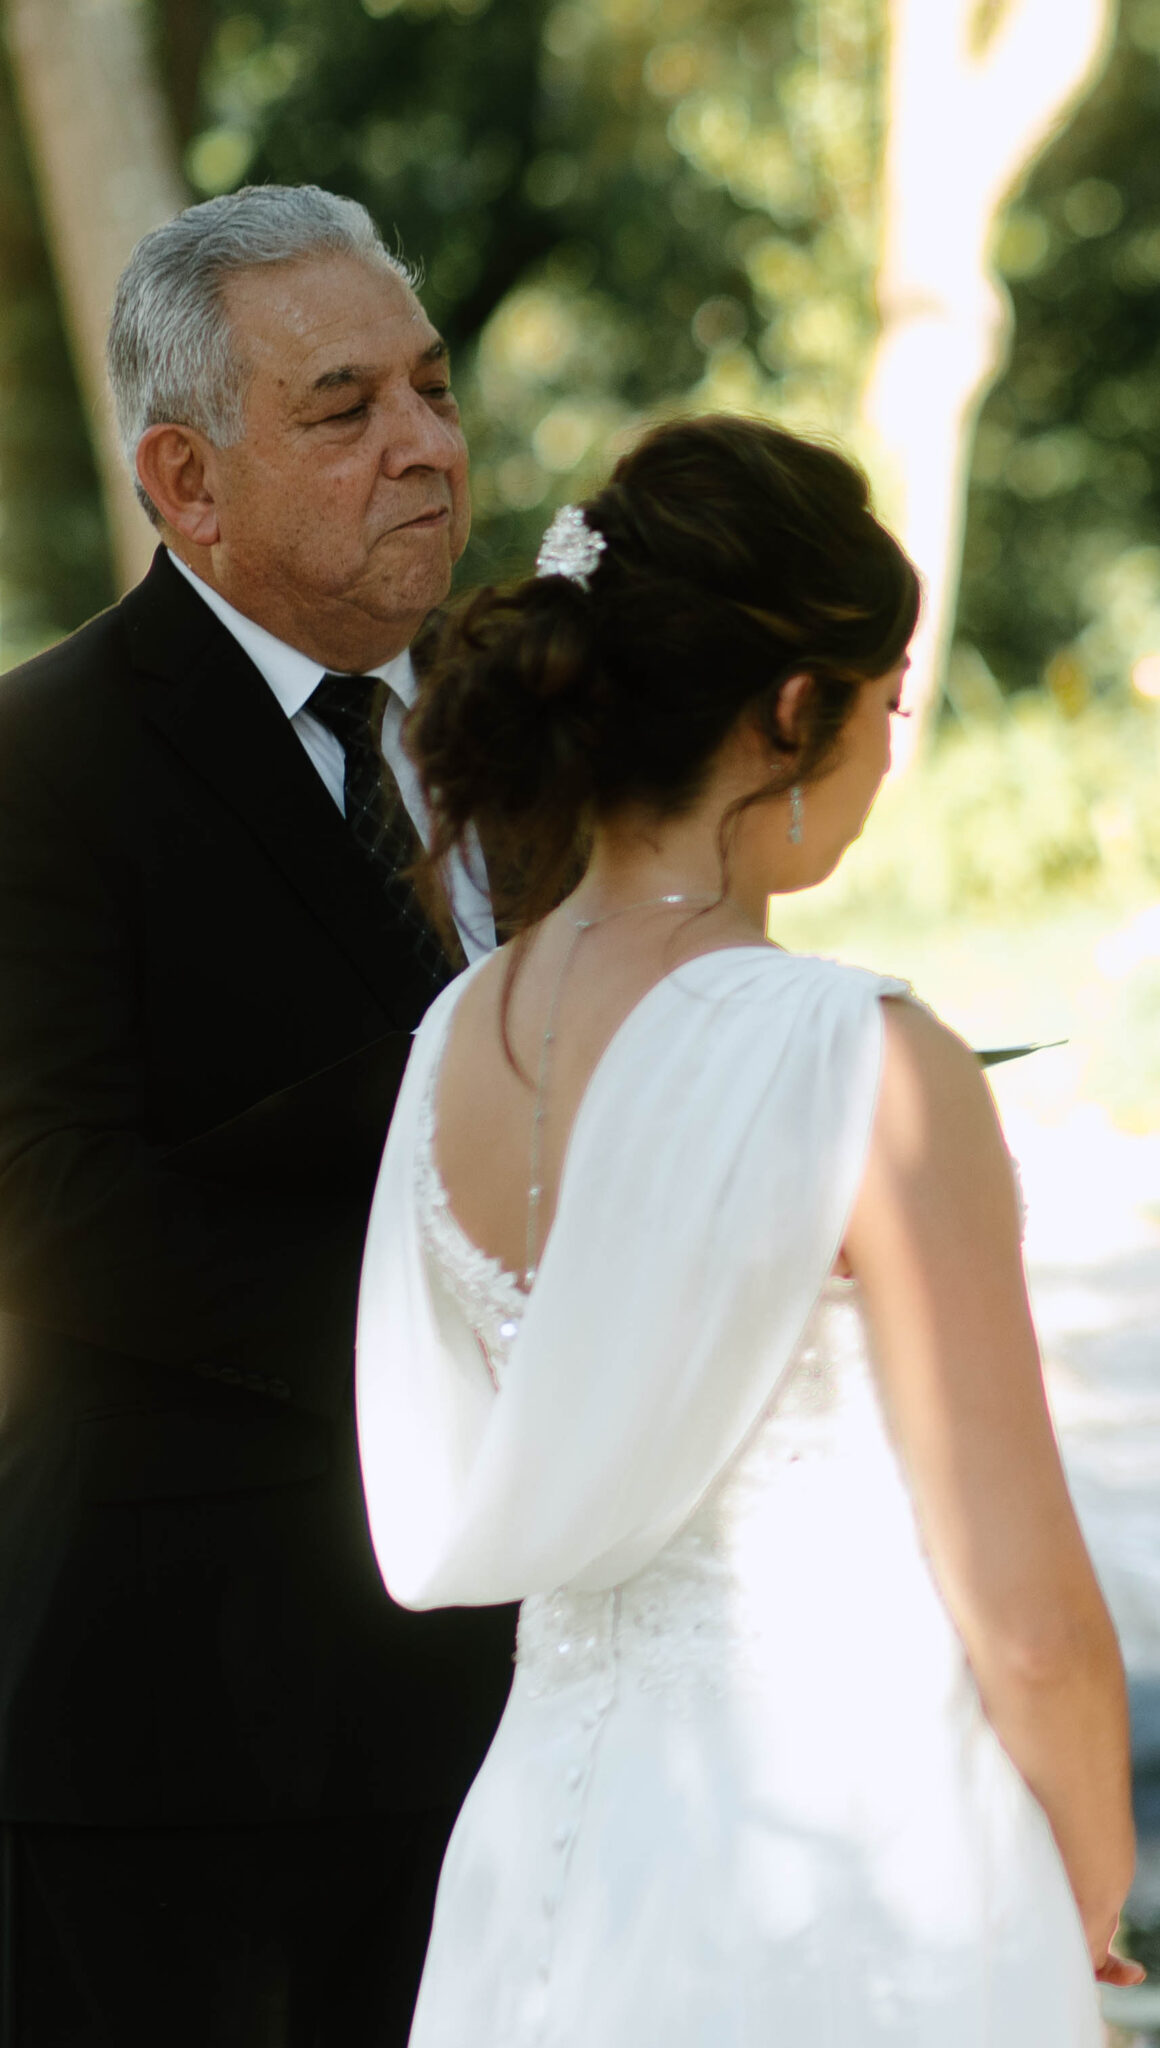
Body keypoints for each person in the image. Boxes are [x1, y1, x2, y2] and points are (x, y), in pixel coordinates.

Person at [358, 413, 1138, 2046]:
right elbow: (1028, 1612)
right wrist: (1086, 1883)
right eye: (887, 706)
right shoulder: (859, 1057)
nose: (886, 751)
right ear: (796, 713)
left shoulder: (453, 1045)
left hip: (547, 1866)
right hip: (851, 1865)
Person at [0, 186, 516, 2043]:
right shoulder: (37, 764)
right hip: (183, 1737)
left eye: (435, 390)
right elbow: (50, 1211)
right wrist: (453, 1359)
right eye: (346, 408)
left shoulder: (525, 734)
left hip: (518, 1706)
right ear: (185, 480)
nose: (426, 447)